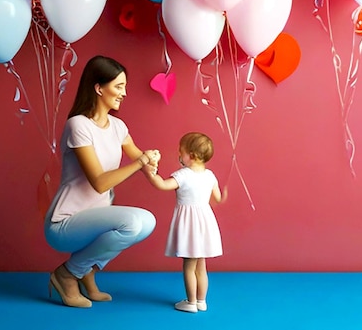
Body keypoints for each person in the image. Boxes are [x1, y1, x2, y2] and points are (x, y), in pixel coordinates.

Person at [44, 55, 160, 308]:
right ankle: (67, 274)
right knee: (131, 223)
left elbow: (141, 161)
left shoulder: (118, 127)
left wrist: (152, 163)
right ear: (98, 88)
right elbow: (99, 181)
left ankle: (84, 271)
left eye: (124, 87)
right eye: (119, 86)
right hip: (65, 223)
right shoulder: (79, 125)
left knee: (147, 222)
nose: (124, 93)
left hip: (96, 221)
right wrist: (140, 163)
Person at [142, 132, 227, 313]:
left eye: (181, 152)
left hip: (189, 224)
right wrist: (225, 194)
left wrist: (150, 174)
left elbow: (163, 185)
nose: (179, 155)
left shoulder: (183, 175)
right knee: (201, 265)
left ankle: (191, 302)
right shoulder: (210, 175)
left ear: (192, 155)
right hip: (205, 222)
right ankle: (202, 301)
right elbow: (218, 198)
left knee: (189, 266)